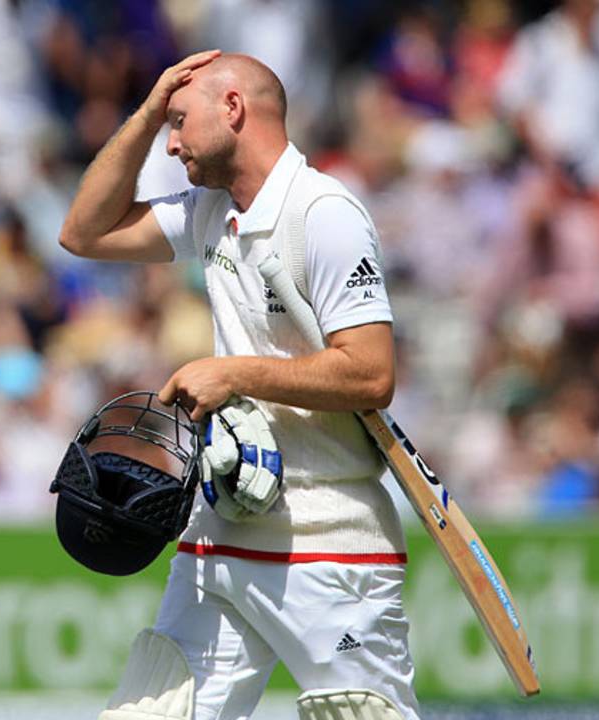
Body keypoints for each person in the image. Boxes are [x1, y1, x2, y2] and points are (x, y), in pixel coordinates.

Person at [59, 52, 419, 719]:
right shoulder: (208, 209)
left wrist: (235, 374)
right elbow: (82, 231)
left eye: (178, 121)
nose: (170, 142)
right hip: (223, 525)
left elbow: (371, 373)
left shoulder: (325, 213)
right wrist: (145, 111)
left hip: (330, 539)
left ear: (233, 109)